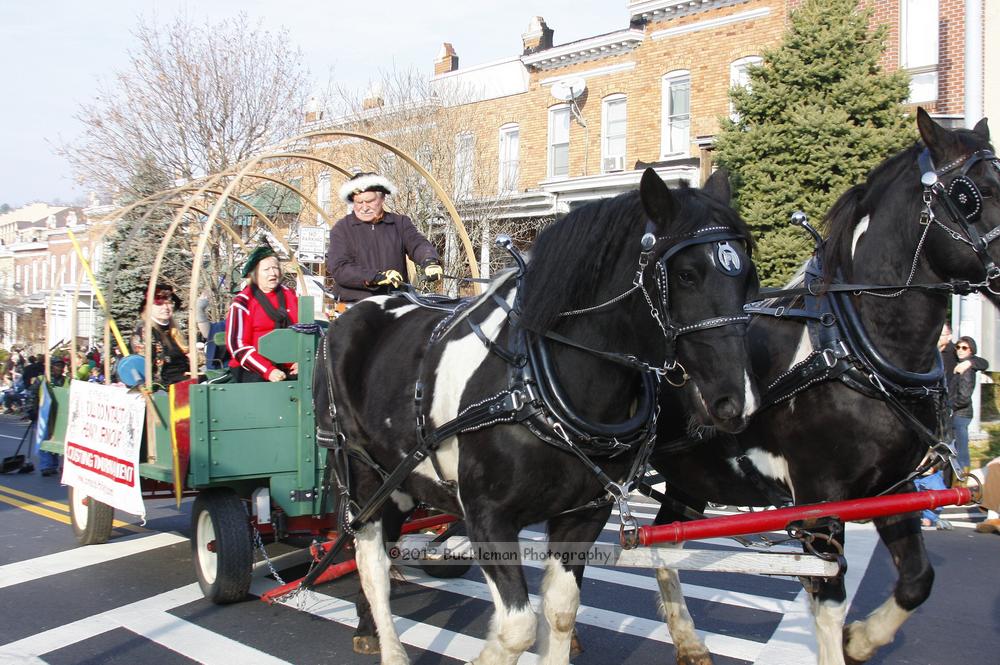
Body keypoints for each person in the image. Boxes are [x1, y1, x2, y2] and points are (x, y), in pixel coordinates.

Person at [326, 172, 443, 303]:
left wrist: (429, 261)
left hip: (395, 302)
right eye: (359, 202)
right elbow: (339, 268)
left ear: (382, 199)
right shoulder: (342, 229)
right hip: (353, 304)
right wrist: (376, 277)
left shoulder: (400, 223)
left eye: (370, 201)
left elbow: (417, 243)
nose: (364, 208)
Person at [225, 244, 299, 382]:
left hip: (288, 366)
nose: (273, 273)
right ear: (254, 274)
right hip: (254, 369)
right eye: (266, 269)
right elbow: (236, 344)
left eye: (275, 268)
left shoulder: (290, 296)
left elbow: (304, 329)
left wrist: (301, 361)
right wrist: (267, 370)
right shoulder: (243, 302)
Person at [129, 283, 190, 386]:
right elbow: (144, 368)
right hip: (163, 388)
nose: (166, 307)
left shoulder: (174, 330)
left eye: (169, 302)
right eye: (159, 304)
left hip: (185, 383)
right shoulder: (144, 331)